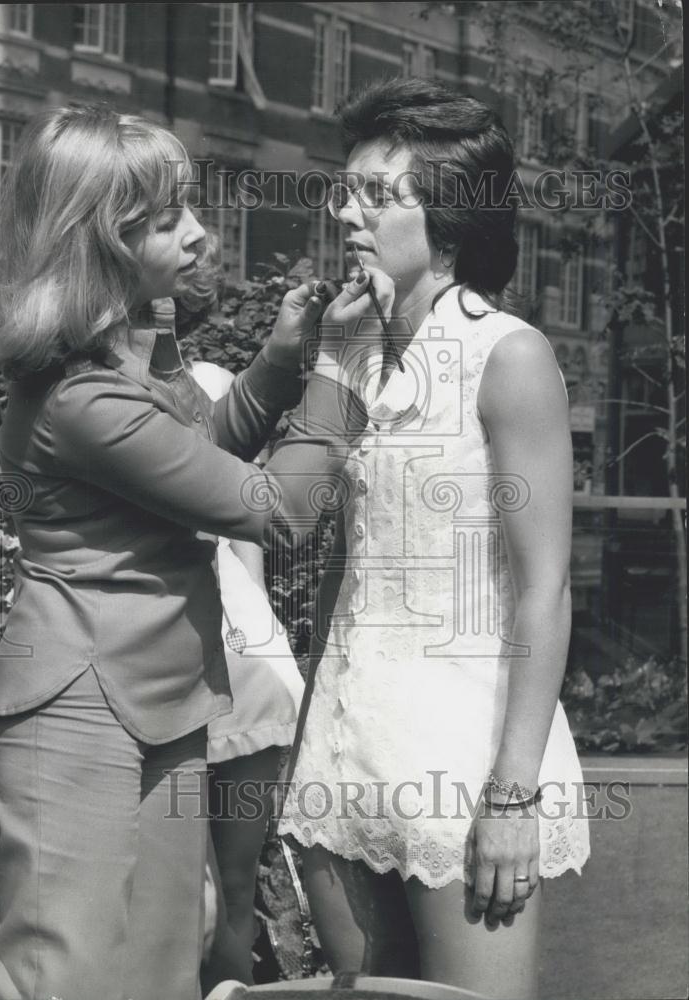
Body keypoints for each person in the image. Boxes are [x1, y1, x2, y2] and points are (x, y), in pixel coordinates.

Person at [0, 105, 390, 1000]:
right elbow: (276, 512)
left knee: (161, 967)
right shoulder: (83, 397)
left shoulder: (123, 365)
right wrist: (336, 378)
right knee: (64, 974)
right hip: (79, 713)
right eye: (168, 221)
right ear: (101, 244)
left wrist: (278, 369)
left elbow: (195, 455)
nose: (198, 234)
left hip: (149, 701)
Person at [279, 78, 591, 999]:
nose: (347, 211)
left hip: (463, 768)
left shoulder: (512, 356)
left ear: (450, 219)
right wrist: (306, 757)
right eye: (348, 190)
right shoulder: (353, 354)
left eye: (380, 194)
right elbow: (338, 561)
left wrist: (512, 794)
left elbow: (546, 587)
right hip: (343, 758)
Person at [189, 358, 304, 992]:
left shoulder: (209, 380)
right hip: (173, 652)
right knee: (190, 893)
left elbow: (244, 533)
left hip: (241, 666)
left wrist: (258, 630)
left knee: (232, 886)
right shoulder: (108, 381)